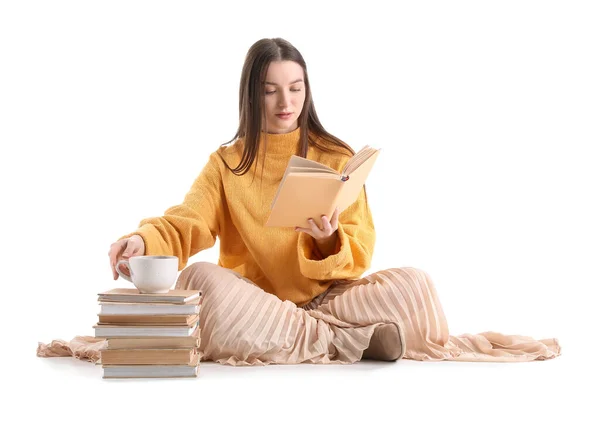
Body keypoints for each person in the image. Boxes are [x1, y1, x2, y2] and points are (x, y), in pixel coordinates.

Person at [38, 38, 561, 365]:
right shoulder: (228, 162)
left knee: (416, 284)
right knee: (200, 282)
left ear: (308, 90)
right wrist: (141, 238)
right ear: (252, 94)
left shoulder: (336, 154)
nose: (285, 103)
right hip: (256, 305)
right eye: (270, 90)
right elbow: (187, 222)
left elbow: (361, 250)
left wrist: (328, 237)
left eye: (295, 88)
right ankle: (352, 343)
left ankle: (318, 336)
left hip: (331, 301)